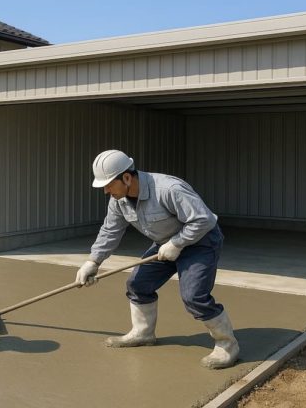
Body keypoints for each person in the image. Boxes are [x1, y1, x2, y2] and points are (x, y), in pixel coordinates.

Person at [75, 149, 239, 369]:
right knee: (138, 284)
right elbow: (110, 231)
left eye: (108, 184)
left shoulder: (168, 189)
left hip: (201, 242)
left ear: (126, 177)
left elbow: (203, 220)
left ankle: (227, 345)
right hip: (166, 243)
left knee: (194, 296)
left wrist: (177, 244)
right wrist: (93, 262)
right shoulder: (119, 200)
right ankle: (143, 333)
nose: (105, 190)